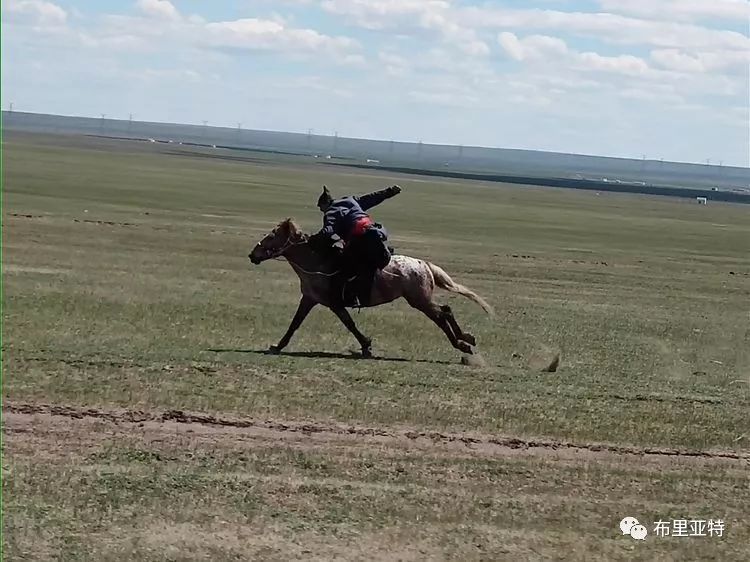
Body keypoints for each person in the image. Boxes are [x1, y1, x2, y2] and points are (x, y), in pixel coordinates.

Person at [309, 184, 402, 307]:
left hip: (361, 241)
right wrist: (389, 192)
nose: (321, 210)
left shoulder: (331, 212)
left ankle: (350, 298)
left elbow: (328, 231)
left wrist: (313, 240)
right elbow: (372, 198)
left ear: (326, 204)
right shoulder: (350, 201)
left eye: (321, 207)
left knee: (342, 270)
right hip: (377, 234)